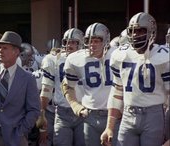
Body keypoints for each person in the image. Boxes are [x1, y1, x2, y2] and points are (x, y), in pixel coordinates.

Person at [101, 12, 169, 146]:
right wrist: (109, 127)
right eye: (132, 31)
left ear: (152, 32)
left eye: (140, 31)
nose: (135, 35)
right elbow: (117, 91)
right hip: (128, 114)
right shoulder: (121, 54)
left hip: (154, 115)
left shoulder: (164, 56)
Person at [0, 31, 40, 146]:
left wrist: (21, 131)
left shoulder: (28, 78)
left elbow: (34, 110)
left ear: (16, 52)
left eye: (4, 48)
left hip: (16, 138)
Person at [62, 23, 117, 146]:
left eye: (97, 40)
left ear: (106, 41)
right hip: (90, 116)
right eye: (89, 40)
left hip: (115, 116)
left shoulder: (118, 54)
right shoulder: (75, 58)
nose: (92, 44)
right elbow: (66, 85)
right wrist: (75, 105)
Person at [39, 28, 86, 146]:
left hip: (83, 111)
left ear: (80, 43)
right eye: (67, 42)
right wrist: (42, 116)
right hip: (61, 111)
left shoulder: (88, 59)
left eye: (73, 42)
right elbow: (46, 91)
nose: (69, 45)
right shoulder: (53, 59)